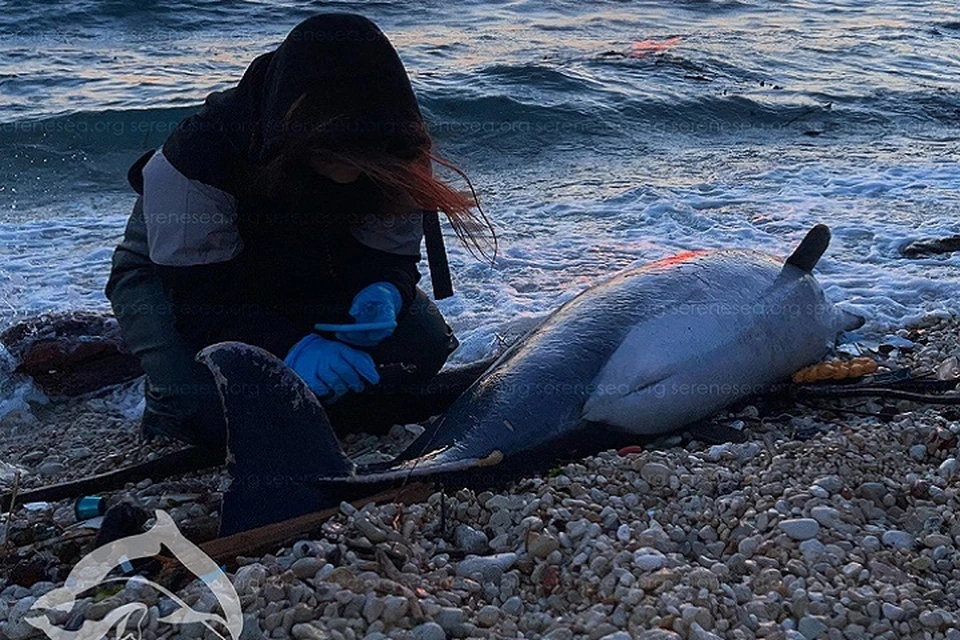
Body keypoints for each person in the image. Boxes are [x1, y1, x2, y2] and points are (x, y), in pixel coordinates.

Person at [105, 13, 494, 452]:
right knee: (210, 413)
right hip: (175, 279)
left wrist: (384, 289)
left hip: (306, 266)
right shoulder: (196, 159)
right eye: (337, 156)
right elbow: (202, 300)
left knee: (421, 350)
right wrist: (295, 348)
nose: (350, 172)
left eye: (364, 160)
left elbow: (392, 256)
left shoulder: (396, 147)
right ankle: (167, 393)